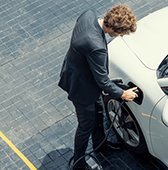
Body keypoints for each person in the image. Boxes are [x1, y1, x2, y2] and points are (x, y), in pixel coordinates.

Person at [58, 4, 138, 170]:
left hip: (76, 72)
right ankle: (79, 163)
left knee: (99, 112)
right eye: (121, 32)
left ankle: (100, 144)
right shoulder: (96, 46)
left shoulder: (88, 14)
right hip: (81, 88)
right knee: (85, 125)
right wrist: (123, 94)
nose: (121, 36)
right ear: (113, 27)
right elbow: (102, 81)